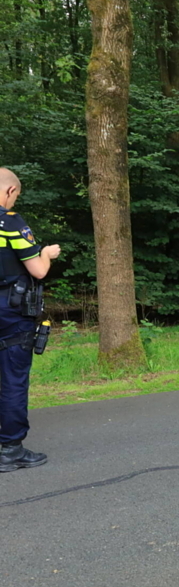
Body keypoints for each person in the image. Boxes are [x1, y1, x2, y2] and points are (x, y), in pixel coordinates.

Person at [0, 168, 61, 473]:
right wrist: (47, 253)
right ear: (10, 191)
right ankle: (10, 450)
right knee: (12, 378)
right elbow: (37, 270)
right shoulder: (11, 223)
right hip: (9, 312)